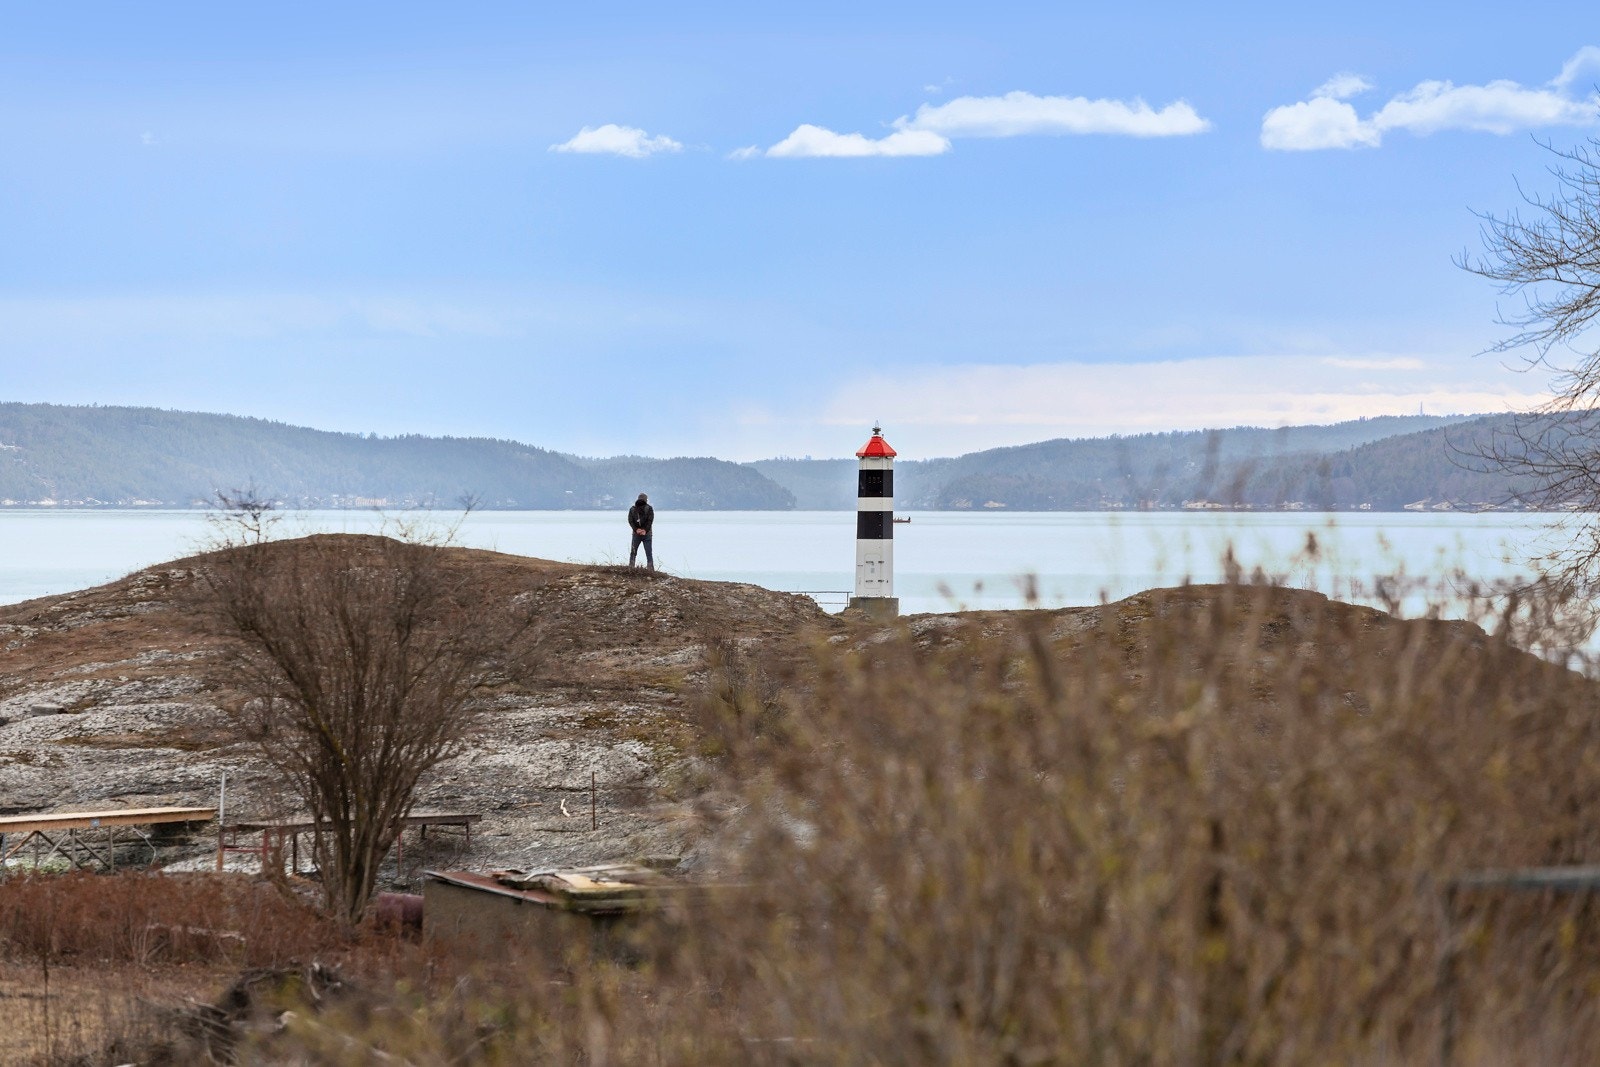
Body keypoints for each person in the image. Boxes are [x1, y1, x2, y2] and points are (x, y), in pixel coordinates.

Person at [627, 492, 655, 570]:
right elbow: (650, 521)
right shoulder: (649, 508)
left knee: (633, 552)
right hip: (647, 534)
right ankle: (650, 569)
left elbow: (630, 521)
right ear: (646, 500)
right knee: (648, 553)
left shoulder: (632, 509)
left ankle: (631, 568)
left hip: (636, 534)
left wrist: (636, 530)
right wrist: (645, 530)